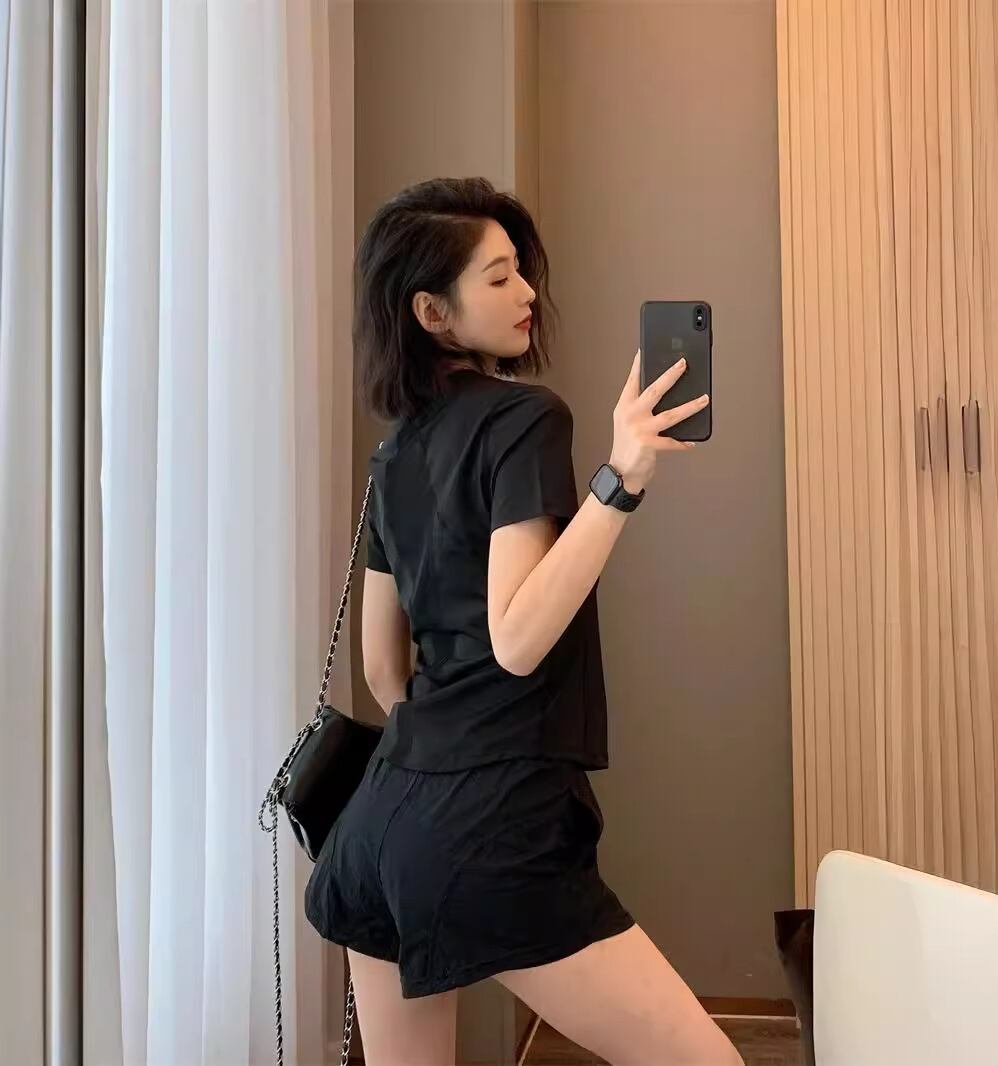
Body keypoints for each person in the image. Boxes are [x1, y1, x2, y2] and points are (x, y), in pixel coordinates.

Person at [305, 177, 740, 1066]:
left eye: (522, 272)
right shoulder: (524, 419)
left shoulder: (395, 452)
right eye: (499, 277)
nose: (528, 293)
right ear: (432, 312)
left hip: (379, 825)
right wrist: (622, 478)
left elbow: (385, 672)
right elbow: (517, 638)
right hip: (492, 827)